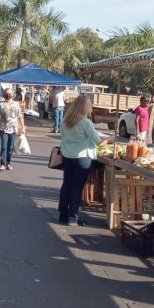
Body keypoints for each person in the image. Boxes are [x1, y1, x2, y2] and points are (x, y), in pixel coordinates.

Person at [58, 94, 112, 225]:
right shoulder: (86, 123)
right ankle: (73, 216)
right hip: (82, 157)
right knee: (77, 188)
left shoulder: (65, 120)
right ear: (86, 107)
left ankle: (63, 214)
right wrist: (110, 139)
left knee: (67, 185)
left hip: (67, 155)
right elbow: (99, 143)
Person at [0, 88, 25, 171]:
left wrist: (22, 126)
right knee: (4, 146)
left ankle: (8, 163)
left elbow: (20, 116)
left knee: (10, 147)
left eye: (10, 93)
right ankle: (2, 164)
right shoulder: (0, 104)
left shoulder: (16, 104)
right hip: (4, 128)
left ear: (13, 94)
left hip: (13, 129)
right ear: (4, 95)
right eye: (7, 93)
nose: (8, 94)